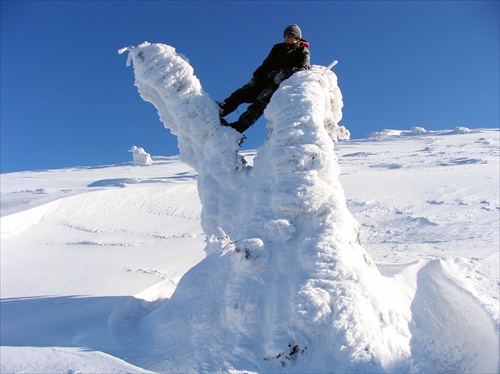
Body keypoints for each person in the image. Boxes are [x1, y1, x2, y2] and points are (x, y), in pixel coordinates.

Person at [219, 24, 310, 133]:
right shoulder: (278, 48)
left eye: (289, 37)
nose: (286, 39)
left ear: (297, 38)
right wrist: (256, 77)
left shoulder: (302, 51)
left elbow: (303, 69)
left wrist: (284, 73)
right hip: (264, 77)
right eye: (285, 37)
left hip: (277, 84)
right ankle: (220, 111)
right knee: (241, 94)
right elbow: (266, 64)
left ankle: (236, 129)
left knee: (259, 104)